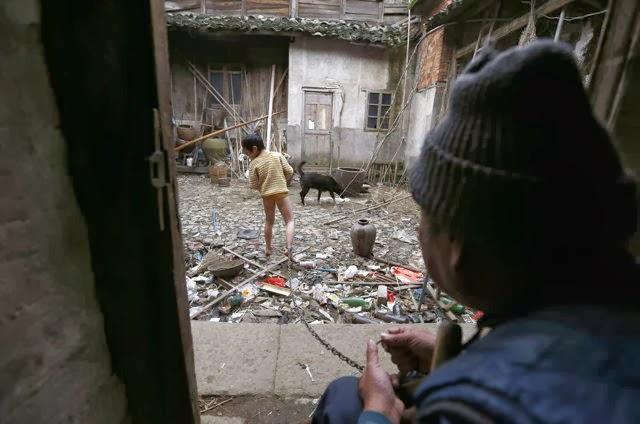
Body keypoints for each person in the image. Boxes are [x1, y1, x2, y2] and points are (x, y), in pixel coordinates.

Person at [313, 40, 640, 423]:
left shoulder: (476, 409)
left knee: (344, 399)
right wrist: (450, 358)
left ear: (458, 244)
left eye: (425, 213)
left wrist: (379, 410)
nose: (418, 231)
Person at [242, 133, 295, 259]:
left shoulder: (254, 163)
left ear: (254, 149)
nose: (248, 157)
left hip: (267, 195)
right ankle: (289, 248)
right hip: (281, 192)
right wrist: (282, 180)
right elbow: (290, 171)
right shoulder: (277, 155)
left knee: (269, 221)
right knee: (289, 220)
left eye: (247, 153)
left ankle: (268, 248)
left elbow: (253, 185)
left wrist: (263, 184)